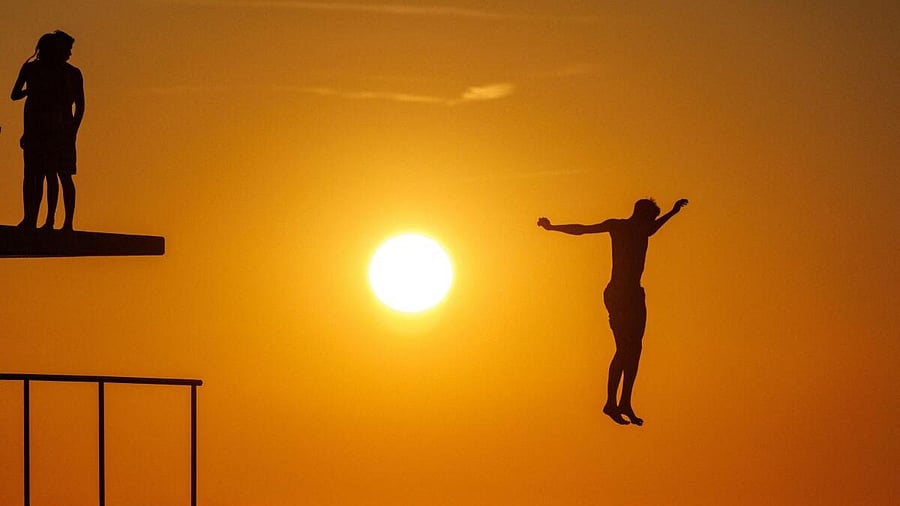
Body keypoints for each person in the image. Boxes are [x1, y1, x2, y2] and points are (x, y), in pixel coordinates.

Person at [538, 198, 688, 426]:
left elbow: (654, 229)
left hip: (635, 294)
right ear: (642, 216)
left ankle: (625, 401)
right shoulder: (618, 226)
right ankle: (610, 402)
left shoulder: (644, 229)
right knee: (624, 349)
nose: (651, 225)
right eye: (651, 219)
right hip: (618, 295)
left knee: (635, 350)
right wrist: (552, 227)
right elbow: (582, 230)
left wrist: (673, 212)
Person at [11, 30, 84, 231]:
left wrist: (72, 131)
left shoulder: (68, 73)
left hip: (59, 131)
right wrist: (30, 91)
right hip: (36, 129)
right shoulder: (33, 69)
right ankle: (30, 218)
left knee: (57, 174)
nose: (68, 53)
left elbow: (79, 104)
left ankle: (55, 220)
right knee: (34, 174)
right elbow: (16, 94)